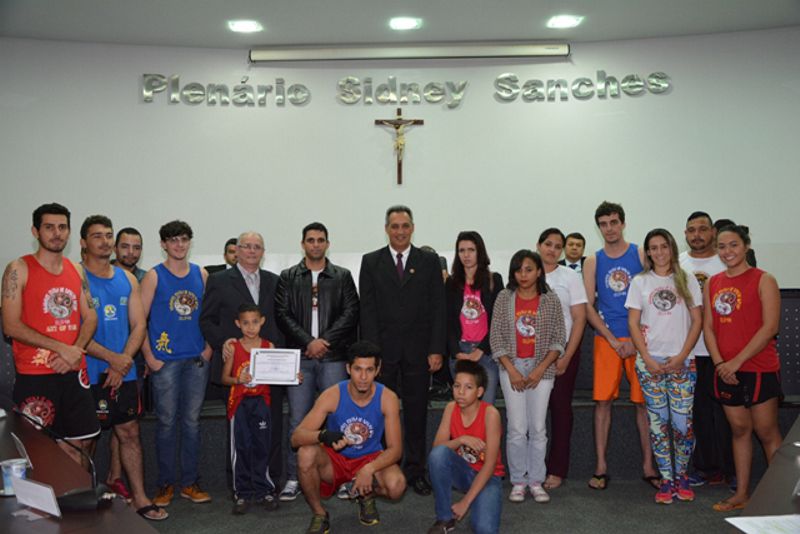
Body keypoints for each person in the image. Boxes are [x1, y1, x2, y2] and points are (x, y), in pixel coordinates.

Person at [80, 215, 167, 521]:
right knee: (85, 438)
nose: (104, 241)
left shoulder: (127, 278)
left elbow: (139, 324)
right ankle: (82, 500)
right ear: (83, 243)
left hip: (125, 371)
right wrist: (112, 359)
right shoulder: (75, 277)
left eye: (108, 235)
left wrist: (124, 360)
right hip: (88, 373)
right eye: (97, 236)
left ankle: (141, 498)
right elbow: (76, 332)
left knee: (129, 433)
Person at [2, 203, 99, 469]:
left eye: (62, 227)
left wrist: (74, 351)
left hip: (74, 371)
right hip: (36, 375)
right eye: (49, 227)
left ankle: (74, 507)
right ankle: (44, 510)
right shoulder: (18, 268)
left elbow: (90, 317)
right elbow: (10, 325)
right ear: (35, 231)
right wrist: (61, 348)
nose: (56, 233)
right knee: (38, 448)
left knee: (81, 443)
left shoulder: (76, 270)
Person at [359, 205, 446, 496]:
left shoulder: (429, 261)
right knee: (381, 414)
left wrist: (436, 349)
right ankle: (383, 469)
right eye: (394, 226)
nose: (400, 231)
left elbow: (438, 309)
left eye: (405, 226)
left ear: (412, 228)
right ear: (386, 229)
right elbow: (367, 312)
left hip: (419, 353)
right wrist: (372, 357)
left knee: (416, 414)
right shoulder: (371, 262)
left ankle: (415, 471)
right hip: (383, 355)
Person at [275, 222, 359, 501]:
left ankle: (342, 478)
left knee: (337, 418)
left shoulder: (342, 276)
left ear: (327, 243)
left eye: (320, 240)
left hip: (333, 357)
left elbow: (351, 313)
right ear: (303, 244)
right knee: (299, 420)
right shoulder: (288, 276)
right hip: (299, 357)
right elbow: (282, 313)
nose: (315, 244)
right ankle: (293, 477)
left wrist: (324, 341)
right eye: (310, 240)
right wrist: (308, 342)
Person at [704, 225, 782, 512]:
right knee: (739, 430)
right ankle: (742, 494)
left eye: (733, 245)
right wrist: (721, 364)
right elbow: (709, 328)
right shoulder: (712, 283)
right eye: (722, 247)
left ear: (746, 245)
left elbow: (769, 328)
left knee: (767, 431)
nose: (728, 252)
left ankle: (782, 499)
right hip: (726, 371)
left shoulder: (764, 280)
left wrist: (736, 362)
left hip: (758, 368)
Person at [199, 231, 286, 488]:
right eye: (246, 246)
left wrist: (282, 360)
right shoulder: (218, 280)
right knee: (240, 432)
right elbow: (207, 320)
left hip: (270, 367)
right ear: (237, 250)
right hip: (237, 369)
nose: (251, 251)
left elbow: (281, 322)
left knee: (271, 428)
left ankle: (270, 483)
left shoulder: (275, 281)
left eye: (257, 247)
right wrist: (223, 341)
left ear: (263, 251)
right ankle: (240, 486)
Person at [291, 341, 406, 533]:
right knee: (305, 454)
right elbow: (296, 438)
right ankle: (320, 513)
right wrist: (324, 435)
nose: (363, 377)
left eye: (369, 370)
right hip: (336, 460)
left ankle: (365, 495)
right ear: (348, 369)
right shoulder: (332, 395)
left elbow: (396, 450)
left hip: (370, 457)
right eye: (357, 369)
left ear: (378, 370)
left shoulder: (388, 398)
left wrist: (369, 469)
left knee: (397, 486)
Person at [583, 201, 658, 490]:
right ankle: (601, 466)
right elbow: (589, 305)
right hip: (607, 340)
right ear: (598, 227)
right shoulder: (593, 260)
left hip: (639, 340)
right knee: (602, 403)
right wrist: (614, 341)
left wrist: (636, 341)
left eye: (614, 222)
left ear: (623, 224)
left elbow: (652, 297)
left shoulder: (640, 253)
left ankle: (648, 466)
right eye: (603, 224)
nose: (609, 228)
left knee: (643, 404)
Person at [626, 228, 703, 504]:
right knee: (658, 427)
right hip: (650, 365)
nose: (659, 252)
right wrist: (646, 357)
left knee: (683, 425)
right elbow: (633, 323)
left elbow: (697, 321)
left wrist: (683, 355)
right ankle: (667, 480)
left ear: (671, 248)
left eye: (663, 247)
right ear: (647, 252)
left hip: (682, 363)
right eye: (653, 248)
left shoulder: (688, 280)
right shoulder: (640, 282)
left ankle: (682, 475)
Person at [141, 220, 213, 507]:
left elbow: (210, 315)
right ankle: (166, 484)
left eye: (184, 239)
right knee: (167, 424)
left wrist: (209, 349)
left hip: (197, 360)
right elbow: (139, 320)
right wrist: (148, 356)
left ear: (190, 242)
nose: (179, 245)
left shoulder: (202, 274)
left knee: (192, 423)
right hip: (165, 361)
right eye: (173, 240)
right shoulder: (153, 277)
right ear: (163, 244)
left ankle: (189, 483)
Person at [490, 250, 566, 503]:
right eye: (519, 270)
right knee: (516, 428)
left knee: (538, 428)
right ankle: (518, 481)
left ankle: (536, 481)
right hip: (510, 368)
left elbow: (558, 338)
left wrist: (540, 369)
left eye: (529, 269)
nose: (523, 275)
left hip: (541, 370)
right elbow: (496, 337)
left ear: (539, 271)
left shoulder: (550, 299)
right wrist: (511, 369)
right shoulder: (504, 297)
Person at [679, 212, 733, 488]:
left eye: (702, 229)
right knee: (698, 413)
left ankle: (733, 471)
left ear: (713, 231)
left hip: (723, 352)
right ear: (685, 234)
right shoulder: (678, 263)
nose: (697, 234)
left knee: (729, 414)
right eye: (691, 230)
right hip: (690, 351)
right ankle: (706, 468)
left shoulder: (725, 260)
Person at [536, 228, 588, 490]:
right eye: (548, 244)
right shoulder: (527, 272)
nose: (552, 250)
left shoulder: (570, 276)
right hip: (531, 352)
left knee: (560, 409)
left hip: (564, 350)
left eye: (558, 246)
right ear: (538, 245)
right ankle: (531, 469)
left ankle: (557, 469)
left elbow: (580, 318)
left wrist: (567, 355)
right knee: (531, 413)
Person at [427, 360, 504, 534]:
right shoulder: (450, 408)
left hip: (488, 477)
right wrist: (461, 439)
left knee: (484, 529)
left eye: (468, 387)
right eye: (456, 386)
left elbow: (490, 465)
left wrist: (465, 502)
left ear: (480, 392)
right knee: (438, 455)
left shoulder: (490, 414)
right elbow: (437, 448)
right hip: (463, 472)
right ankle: (445, 519)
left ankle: (477, 500)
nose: (460, 392)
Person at [222, 304, 284, 515]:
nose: (250, 327)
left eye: (254, 322)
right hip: (239, 404)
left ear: (262, 322)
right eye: (245, 323)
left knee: (262, 446)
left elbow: (280, 373)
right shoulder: (234, 348)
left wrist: (294, 376)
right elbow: (224, 378)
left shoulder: (269, 346)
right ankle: (242, 492)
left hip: (261, 403)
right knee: (241, 448)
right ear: (238, 324)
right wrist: (237, 379)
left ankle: (265, 489)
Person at [110, 225, 148, 498]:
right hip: (99, 361)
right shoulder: (94, 274)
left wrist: (142, 356)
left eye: (136, 247)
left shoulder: (146, 278)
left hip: (132, 362)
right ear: (115, 248)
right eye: (125, 246)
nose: (131, 252)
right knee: (90, 429)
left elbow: (144, 324)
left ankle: (117, 478)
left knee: (125, 424)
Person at [445, 231, 503, 404]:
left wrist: (482, 349)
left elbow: (498, 319)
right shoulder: (451, 283)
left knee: (486, 406)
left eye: (471, 250)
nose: (466, 255)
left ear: (480, 252)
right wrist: (456, 352)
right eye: (461, 251)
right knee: (463, 407)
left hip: (486, 353)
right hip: (460, 351)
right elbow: (447, 320)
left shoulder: (494, 280)